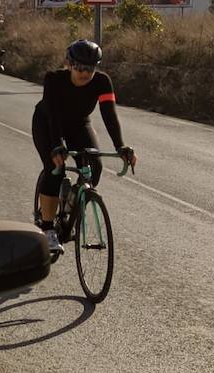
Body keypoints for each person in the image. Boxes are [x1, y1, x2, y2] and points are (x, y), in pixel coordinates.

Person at [33, 39, 136, 256]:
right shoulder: (54, 80)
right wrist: (56, 145)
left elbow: (109, 114)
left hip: (79, 123)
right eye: (80, 67)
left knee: (95, 166)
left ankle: (71, 201)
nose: (85, 73)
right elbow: (52, 116)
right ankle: (48, 227)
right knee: (55, 168)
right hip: (48, 123)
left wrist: (121, 146)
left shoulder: (102, 82)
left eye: (90, 68)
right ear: (69, 64)